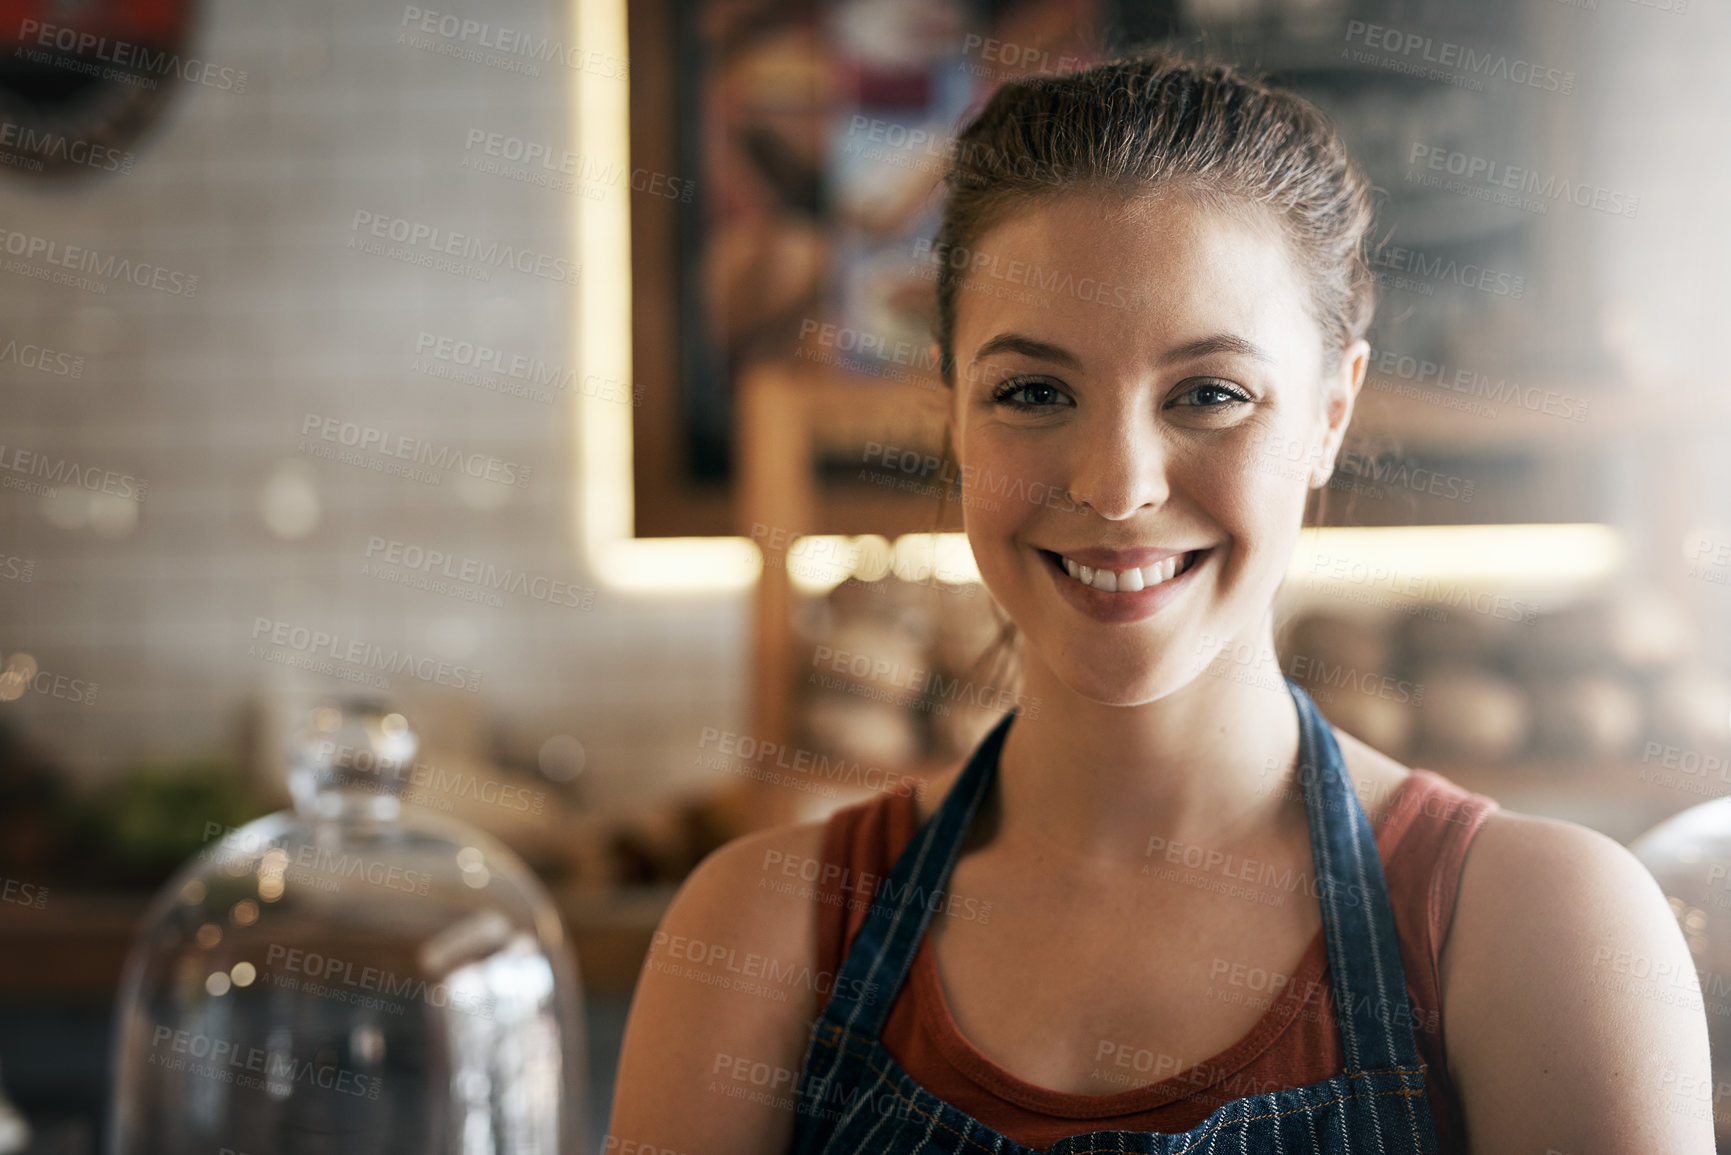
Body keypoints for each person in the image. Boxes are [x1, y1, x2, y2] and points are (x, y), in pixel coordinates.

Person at [608, 49, 1712, 1153]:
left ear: (1332, 413)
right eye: (1033, 392)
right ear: (951, 408)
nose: (1117, 484)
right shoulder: (758, 933)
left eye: (1211, 394)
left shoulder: (1539, 929)